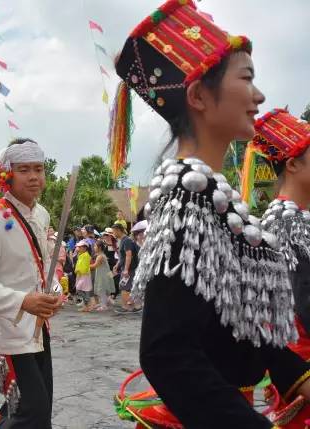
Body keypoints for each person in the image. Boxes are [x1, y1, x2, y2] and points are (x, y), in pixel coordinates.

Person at [112, 1, 310, 427]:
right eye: (246, 79)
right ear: (199, 95)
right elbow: (167, 353)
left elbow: (250, 330)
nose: (258, 96)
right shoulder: (186, 199)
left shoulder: (215, 199)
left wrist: (300, 378)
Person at [0, 137, 62, 429]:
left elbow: (43, 266)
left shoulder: (41, 214)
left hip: (36, 330)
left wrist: (54, 291)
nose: (34, 176)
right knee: (32, 412)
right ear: (7, 174)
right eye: (24, 169)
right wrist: (23, 301)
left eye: (38, 168)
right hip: (6, 335)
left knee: (34, 410)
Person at [253, 109, 310, 362]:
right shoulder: (287, 221)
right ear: (293, 164)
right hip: (303, 361)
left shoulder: (295, 215)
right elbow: (305, 302)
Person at [111, 223, 139, 313]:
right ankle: (135, 306)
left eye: (114, 231)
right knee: (128, 287)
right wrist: (118, 264)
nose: (113, 234)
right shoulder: (123, 240)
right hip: (127, 267)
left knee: (124, 287)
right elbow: (122, 256)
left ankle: (126, 307)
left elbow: (128, 255)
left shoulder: (127, 240)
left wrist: (126, 269)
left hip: (129, 268)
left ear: (118, 230)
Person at [91, 240, 115, 311]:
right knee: (104, 289)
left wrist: (85, 266)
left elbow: (95, 266)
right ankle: (106, 301)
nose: (94, 247)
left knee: (102, 290)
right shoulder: (101, 255)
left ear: (100, 247)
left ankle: (104, 305)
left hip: (103, 275)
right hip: (105, 274)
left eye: (95, 246)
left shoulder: (100, 256)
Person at [74, 240, 93, 311]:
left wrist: (79, 271)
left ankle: (87, 302)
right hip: (80, 275)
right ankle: (86, 305)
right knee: (81, 289)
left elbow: (85, 266)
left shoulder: (86, 256)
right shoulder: (81, 255)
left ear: (85, 248)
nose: (78, 248)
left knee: (80, 289)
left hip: (84, 275)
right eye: (78, 247)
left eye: (80, 247)